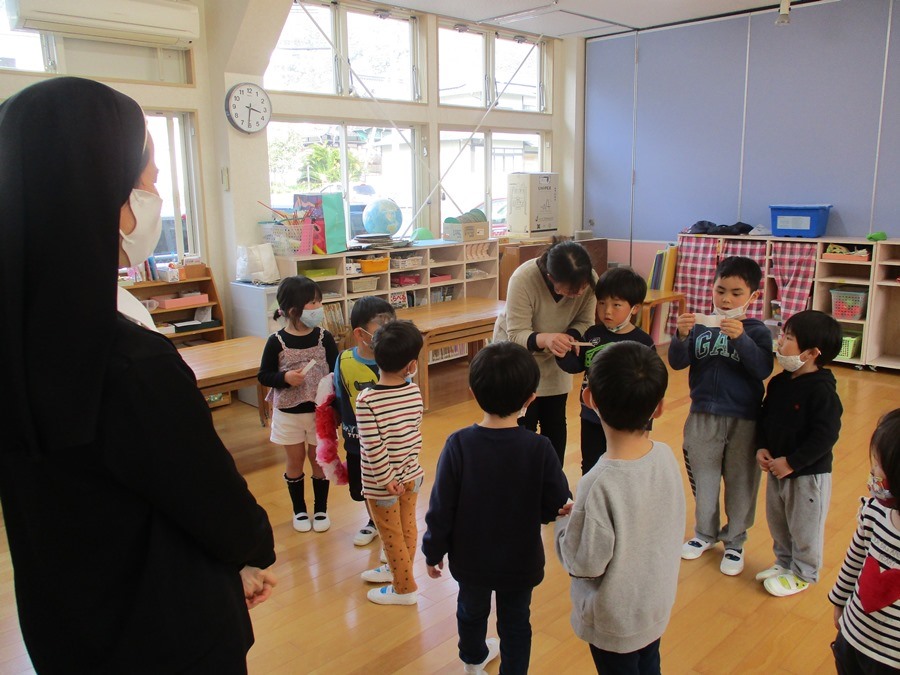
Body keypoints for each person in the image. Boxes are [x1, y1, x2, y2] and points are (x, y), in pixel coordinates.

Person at [0, 77, 276, 673]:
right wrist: (253, 546)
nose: (153, 197)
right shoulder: (128, 362)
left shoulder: (18, 339)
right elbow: (211, 500)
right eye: (147, 180)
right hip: (167, 631)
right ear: (101, 194)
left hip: (64, 626)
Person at [422, 342, 572, 674]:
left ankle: (473, 660)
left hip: (471, 560)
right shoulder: (540, 448)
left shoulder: (458, 444)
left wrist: (433, 550)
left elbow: (441, 508)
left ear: (473, 392)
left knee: (470, 611)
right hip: (520, 562)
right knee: (516, 621)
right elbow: (556, 502)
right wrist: (552, 510)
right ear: (530, 398)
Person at [555, 342, 685, 674]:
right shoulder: (665, 455)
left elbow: (584, 564)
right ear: (659, 408)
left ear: (589, 399)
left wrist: (565, 527)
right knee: (650, 664)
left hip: (615, 619)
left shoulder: (597, 482)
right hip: (654, 603)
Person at [668, 255, 773, 576]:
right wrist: (681, 336)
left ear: (753, 296)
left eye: (736, 293)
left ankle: (735, 541)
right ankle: (704, 533)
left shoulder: (757, 331)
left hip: (744, 419)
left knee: (741, 481)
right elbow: (677, 362)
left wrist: (741, 338)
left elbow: (762, 368)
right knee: (704, 477)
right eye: (720, 290)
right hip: (702, 415)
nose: (726, 300)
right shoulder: (701, 326)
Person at [755, 310, 843, 597]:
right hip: (777, 469)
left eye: (788, 338)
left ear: (811, 353)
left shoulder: (822, 391)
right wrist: (762, 446)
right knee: (778, 521)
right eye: (782, 335)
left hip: (807, 475)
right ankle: (784, 563)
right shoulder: (779, 383)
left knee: (805, 526)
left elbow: (826, 436)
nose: (780, 342)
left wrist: (792, 463)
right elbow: (765, 418)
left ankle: (804, 572)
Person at [494, 238, 597, 465]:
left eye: (583, 287)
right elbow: (516, 333)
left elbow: (586, 322)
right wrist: (547, 339)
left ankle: (553, 477)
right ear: (551, 279)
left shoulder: (589, 279)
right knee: (524, 423)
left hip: (557, 354)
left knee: (555, 421)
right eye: (572, 290)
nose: (580, 292)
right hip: (519, 355)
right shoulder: (523, 279)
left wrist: (570, 336)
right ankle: (524, 478)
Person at [258, 275, 339, 534]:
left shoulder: (325, 338)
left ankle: (321, 509)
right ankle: (299, 510)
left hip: (320, 414)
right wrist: (284, 378)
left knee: (319, 462)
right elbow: (264, 375)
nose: (319, 307)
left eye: (319, 302)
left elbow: (337, 372)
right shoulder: (276, 341)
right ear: (293, 310)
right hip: (288, 413)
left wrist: (338, 408)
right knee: (294, 462)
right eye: (313, 303)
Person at [557, 266, 655, 475]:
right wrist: (562, 353)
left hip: (626, 421)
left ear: (635, 308)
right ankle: (590, 497)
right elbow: (577, 366)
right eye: (601, 303)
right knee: (590, 464)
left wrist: (645, 424)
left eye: (616, 305)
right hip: (591, 414)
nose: (607, 311)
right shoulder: (593, 334)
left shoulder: (643, 342)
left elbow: (650, 388)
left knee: (623, 467)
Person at [357, 320, 426, 605]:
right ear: (411, 365)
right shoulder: (414, 392)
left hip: (382, 484)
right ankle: (398, 570)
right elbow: (413, 437)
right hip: (412, 475)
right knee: (407, 528)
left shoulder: (367, 400)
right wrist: (403, 473)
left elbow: (373, 448)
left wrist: (387, 480)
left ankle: (403, 588)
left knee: (391, 535)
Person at [829, 409, 900, 673]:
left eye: (879, 464)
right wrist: (839, 602)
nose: (872, 470)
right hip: (853, 636)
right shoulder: (874, 512)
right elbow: (855, 558)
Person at [334, 296, 396, 546]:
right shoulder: (343, 360)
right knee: (365, 489)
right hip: (356, 442)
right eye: (381, 326)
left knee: (389, 487)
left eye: (392, 324)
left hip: (389, 445)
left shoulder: (395, 361)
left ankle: (391, 528)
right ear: (360, 333)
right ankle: (374, 521)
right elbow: (339, 395)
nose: (388, 332)